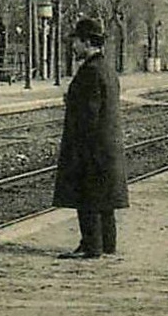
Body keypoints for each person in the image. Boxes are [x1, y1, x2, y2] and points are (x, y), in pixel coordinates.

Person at [52, 16, 129, 258]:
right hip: (107, 147)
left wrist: (71, 103)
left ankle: (91, 245)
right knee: (104, 199)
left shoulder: (90, 72)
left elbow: (88, 115)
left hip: (91, 147)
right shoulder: (106, 69)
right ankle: (107, 244)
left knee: (88, 196)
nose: (73, 47)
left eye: (76, 41)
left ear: (87, 43)